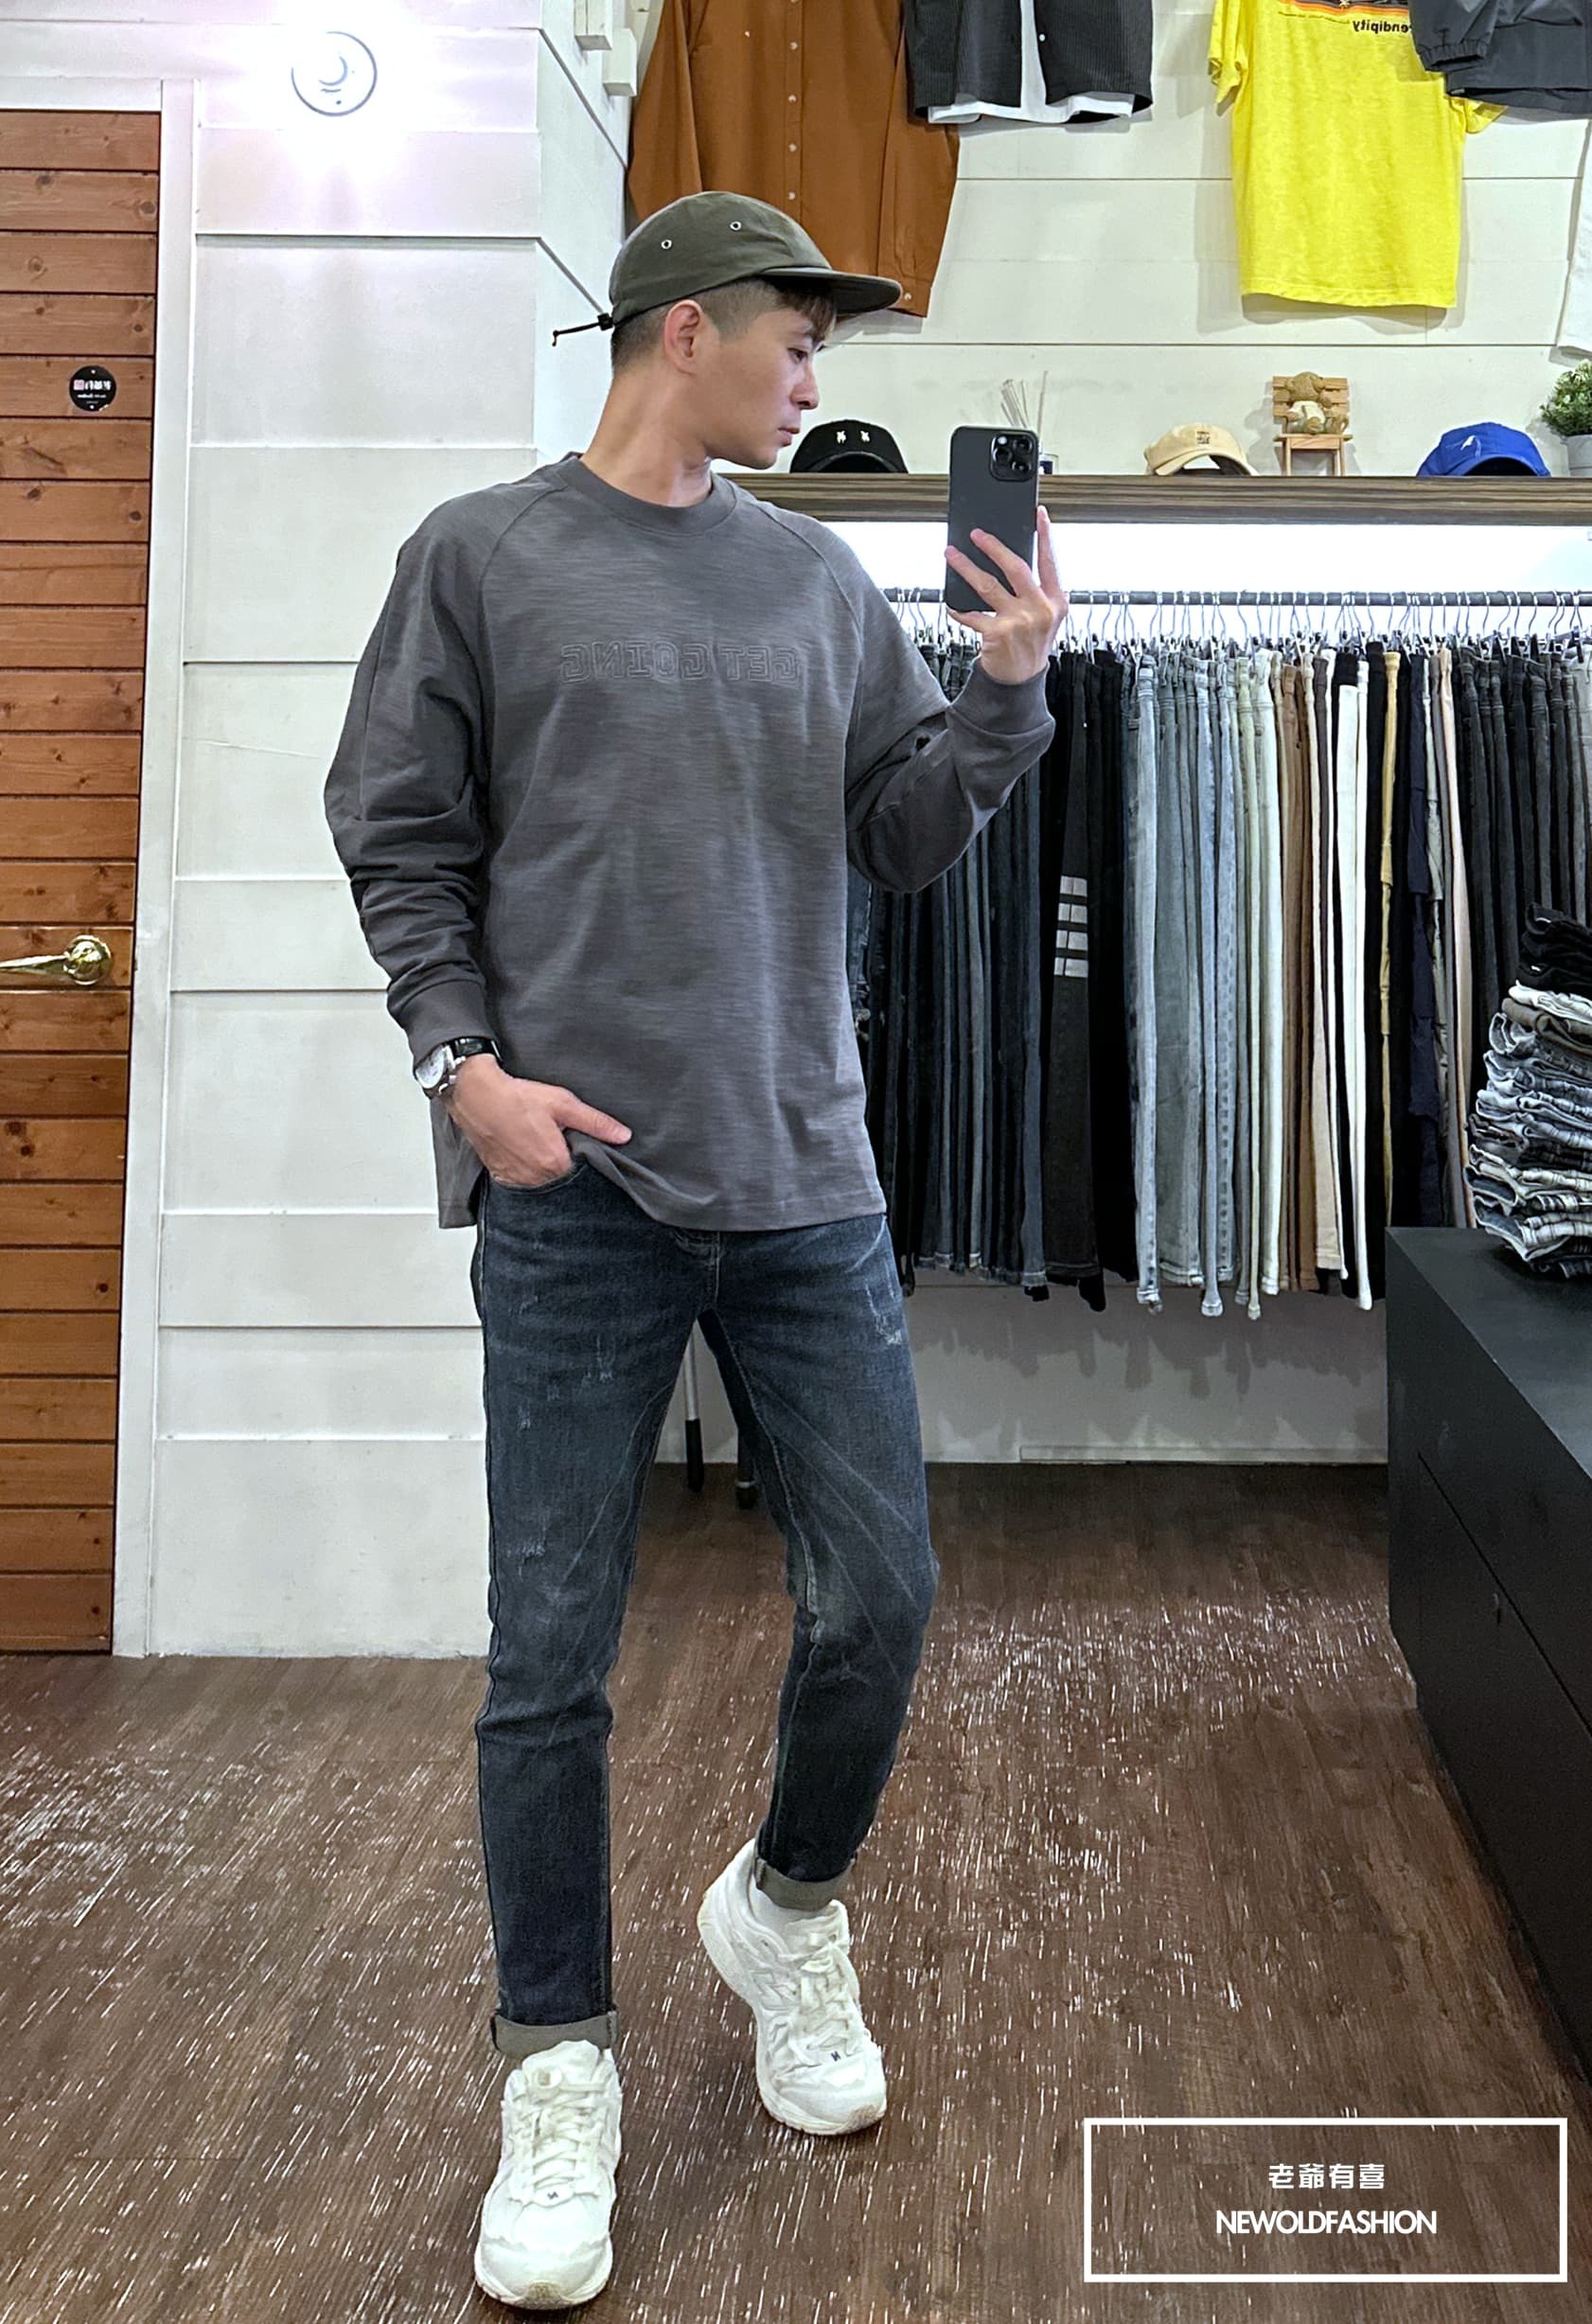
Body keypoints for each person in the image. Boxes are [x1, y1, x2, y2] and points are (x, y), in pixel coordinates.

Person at [323, 188, 1067, 2313]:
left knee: (880, 1597)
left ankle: (786, 1905)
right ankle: (558, 2062)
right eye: (796, 342)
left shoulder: (813, 579)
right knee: (548, 1662)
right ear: (681, 333)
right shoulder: (480, 556)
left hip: (802, 1177)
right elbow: (395, 831)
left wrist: (1003, 689)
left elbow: (898, 837)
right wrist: (460, 1067)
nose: (815, 380)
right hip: (572, 1195)